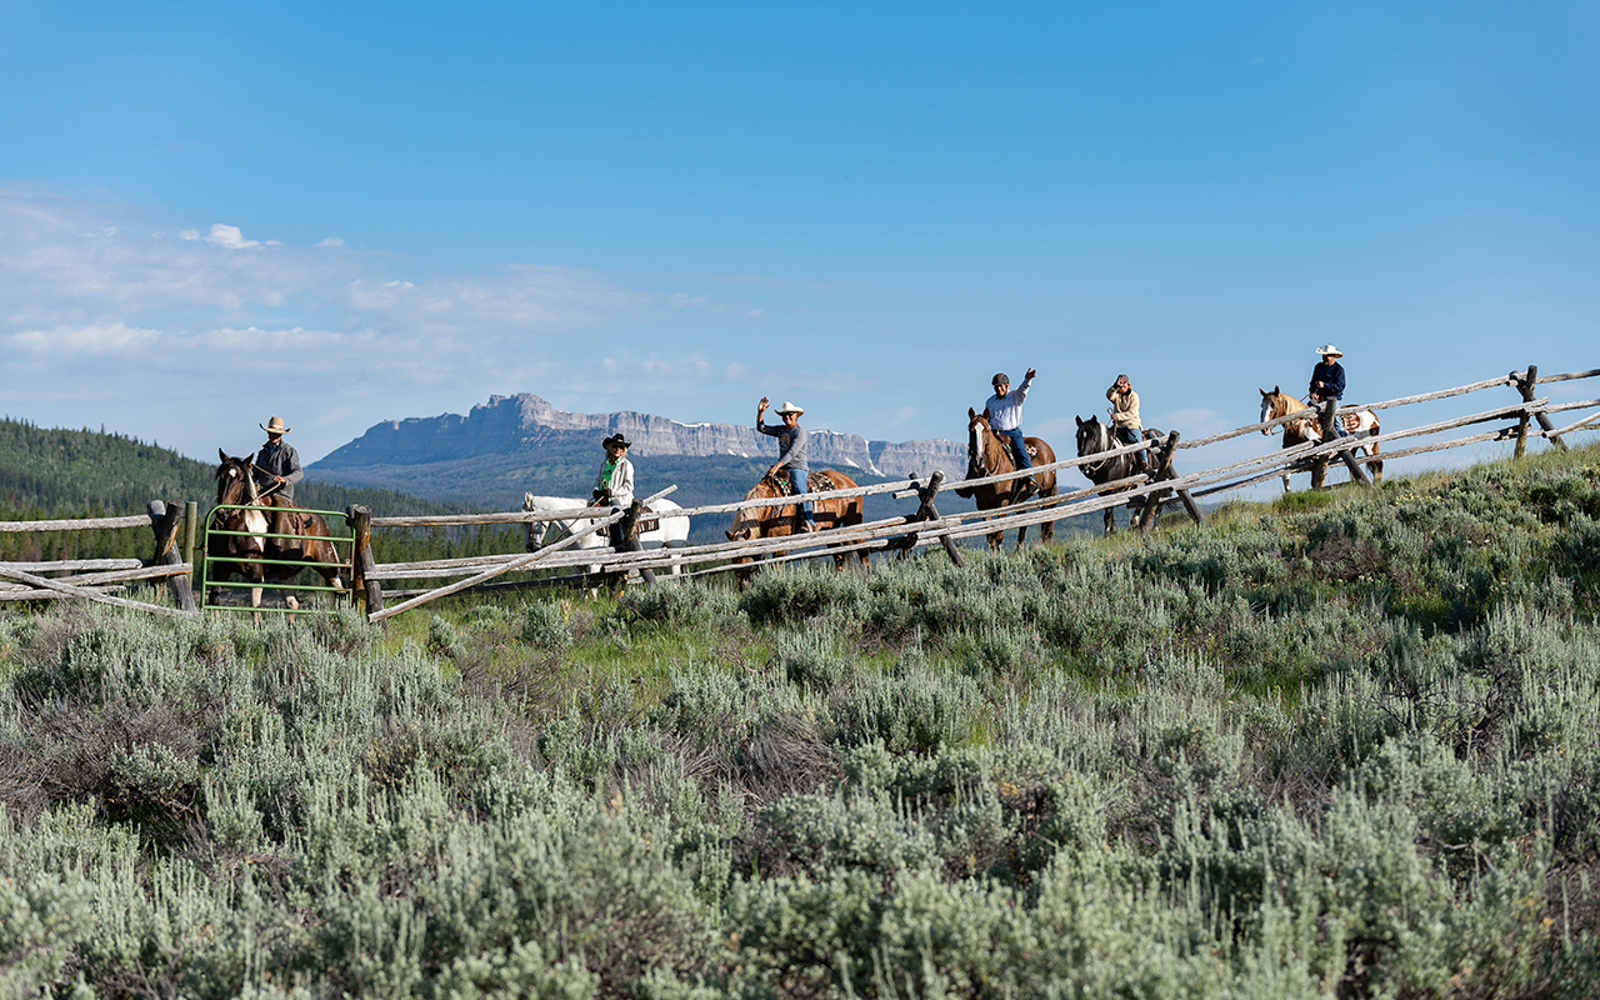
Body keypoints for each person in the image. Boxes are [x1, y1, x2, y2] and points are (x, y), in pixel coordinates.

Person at [756, 397, 816, 532]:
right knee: (767, 484)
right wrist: (760, 413)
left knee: (800, 489)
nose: (787, 417)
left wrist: (776, 466)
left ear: (796, 415)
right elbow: (762, 428)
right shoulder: (781, 430)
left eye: (790, 414)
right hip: (783, 467)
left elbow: (792, 452)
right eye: (784, 415)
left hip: (797, 467)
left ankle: (809, 520)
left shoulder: (799, 432)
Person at [985, 368, 1037, 499]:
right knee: (980, 452)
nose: (998, 389)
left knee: (1020, 451)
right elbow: (988, 419)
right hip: (996, 434)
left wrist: (1027, 380)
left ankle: (1030, 479)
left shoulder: (1015, 396)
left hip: (1013, 433)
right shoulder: (990, 402)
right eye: (996, 387)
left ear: (1007, 386)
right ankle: (969, 483)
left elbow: (1023, 390)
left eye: (1001, 386)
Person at [593, 433, 636, 547]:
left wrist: (612, 492)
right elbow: (598, 480)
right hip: (603, 499)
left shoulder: (626, 465)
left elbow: (629, 486)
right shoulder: (604, 464)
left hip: (620, 500)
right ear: (610, 448)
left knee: (616, 515)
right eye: (615, 446)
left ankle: (622, 543)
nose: (618, 449)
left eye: (621, 447)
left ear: (623, 450)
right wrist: (596, 490)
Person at [254, 416, 304, 502]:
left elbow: (299, 473)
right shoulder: (262, 453)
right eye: (272, 432)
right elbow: (255, 474)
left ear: (281, 435)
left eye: (277, 433)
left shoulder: (289, 451)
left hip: (281, 494)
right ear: (268, 433)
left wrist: (284, 479)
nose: (274, 435)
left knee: (279, 509)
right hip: (262, 493)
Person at [1105, 373, 1146, 472]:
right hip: (1118, 425)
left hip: (1131, 424)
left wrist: (1118, 416)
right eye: (1120, 385)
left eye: (1124, 384)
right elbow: (1109, 395)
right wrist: (1115, 386)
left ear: (1128, 384)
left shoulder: (1134, 396)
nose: (1122, 386)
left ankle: (1145, 464)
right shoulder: (1117, 396)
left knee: (1138, 443)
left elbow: (1132, 412)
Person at [1308, 345, 1349, 437]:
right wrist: (1313, 392)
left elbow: (1340, 387)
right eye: (1324, 355)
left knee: (1335, 418)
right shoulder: (1319, 367)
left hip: (1334, 399)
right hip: (1320, 399)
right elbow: (1313, 382)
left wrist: (1325, 385)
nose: (1326, 358)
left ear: (1333, 356)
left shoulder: (1339, 370)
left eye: (1329, 356)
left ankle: (1341, 438)